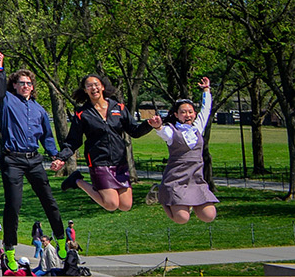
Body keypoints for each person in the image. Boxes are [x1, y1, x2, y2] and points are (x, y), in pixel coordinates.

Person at [0, 52, 67, 271]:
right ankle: (10, 249)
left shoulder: (40, 110)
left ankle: (61, 239)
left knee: (49, 200)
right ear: (14, 85)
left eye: (28, 83)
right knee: (13, 204)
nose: (25, 86)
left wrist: (56, 157)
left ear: (33, 86)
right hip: (13, 160)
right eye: (21, 83)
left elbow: (48, 138)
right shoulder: (7, 100)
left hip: (34, 160)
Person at [58, 74, 154, 212]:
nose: (93, 88)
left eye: (96, 84)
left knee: (126, 206)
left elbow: (135, 131)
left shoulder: (118, 108)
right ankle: (77, 181)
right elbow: (73, 140)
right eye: (89, 85)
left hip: (120, 161)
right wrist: (62, 157)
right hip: (99, 162)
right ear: (85, 90)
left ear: (102, 87)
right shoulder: (82, 113)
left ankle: (83, 183)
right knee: (111, 204)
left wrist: (149, 124)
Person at [153, 77, 219, 223]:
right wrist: (158, 126)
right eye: (183, 112)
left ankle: (189, 202)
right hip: (176, 180)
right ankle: (159, 194)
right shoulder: (172, 132)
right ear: (176, 115)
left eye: (190, 112)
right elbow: (163, 132)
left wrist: (206, 90)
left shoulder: (197, 128)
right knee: (182, 218)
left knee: (209, 216)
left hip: (196, 179)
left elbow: (206, 110)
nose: (187, 115)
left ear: (194, 114)